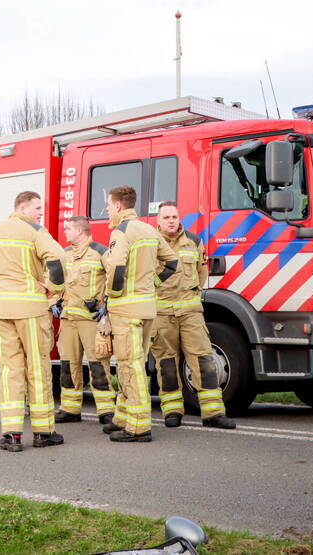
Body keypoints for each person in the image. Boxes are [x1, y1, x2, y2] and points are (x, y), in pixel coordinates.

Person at [0, 191, 66, 452]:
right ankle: (43, 433)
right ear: (24, 207)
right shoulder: (36, 232)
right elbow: (59, 260)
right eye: (37, 208)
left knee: (9, 371)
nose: (40, 213)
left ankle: (12, 435)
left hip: (1, 311)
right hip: (31, 310)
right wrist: (54, 287)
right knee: (38, 370)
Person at [101, 186, 178, 442]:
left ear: (119, 206)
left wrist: (112, 295)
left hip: (126, 309)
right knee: (136, 363)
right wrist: (152, 284)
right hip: (147, 308)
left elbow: (117, 267)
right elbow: (172, 262)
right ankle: (122, 417)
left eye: (109, 206)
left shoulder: (121, 232)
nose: (108, 210)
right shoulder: (147, 229)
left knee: (128, 365)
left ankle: (138, 427)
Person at [151, 202, 236, 429]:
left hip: (190, 312)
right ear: (158, 220)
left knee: (203, 359)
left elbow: (201, 272)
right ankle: (172, 411)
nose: (171, 220)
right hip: (161, 312)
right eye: (166, 217)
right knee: (167, 363)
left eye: (174, 216)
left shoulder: (194, 241)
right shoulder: (150, 243)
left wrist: (190, 296)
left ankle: (213, 413)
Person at [51, 215, 116, 426]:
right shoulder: (64, 254)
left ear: (80, 231)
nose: (65, 232)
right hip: (68, 319)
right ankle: (70, 408)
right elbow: (53, 281)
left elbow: (114, 278)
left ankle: (106, 409)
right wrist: (53, 300)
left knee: (99, 365)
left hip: (91, 320)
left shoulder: (101, 252)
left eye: (68, 228)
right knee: (68, 366)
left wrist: (106, 307)